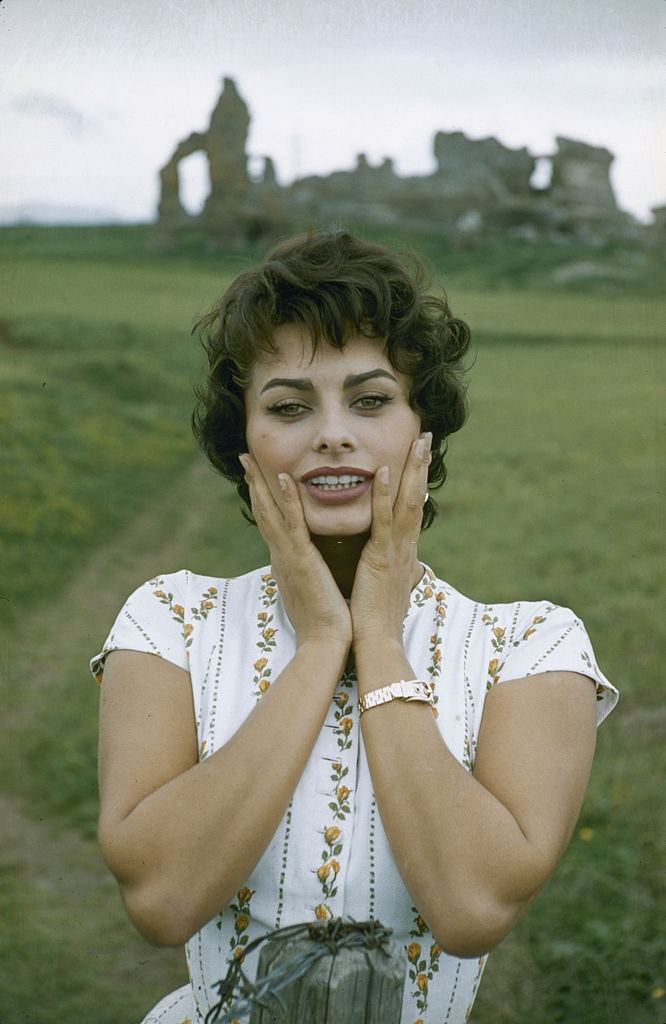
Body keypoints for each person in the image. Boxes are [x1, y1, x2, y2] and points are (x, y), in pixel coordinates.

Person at [91, 229, 618, 1024]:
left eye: (371, 401)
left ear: (422, 430)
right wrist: (317, 650)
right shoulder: (170, 621)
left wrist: (377, 634)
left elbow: (471, 908)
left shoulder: (531, 646)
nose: (332, 433)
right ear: (245, 442)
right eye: (289, 406)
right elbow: (162, 902)